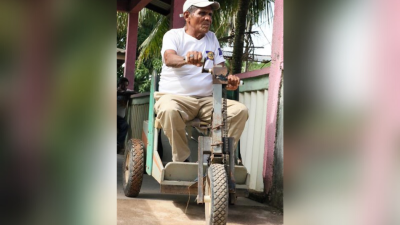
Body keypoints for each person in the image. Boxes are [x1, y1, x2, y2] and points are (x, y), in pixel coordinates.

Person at [155, 0, 248, 162]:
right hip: (175, 99)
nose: (208, 18)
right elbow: (169, 58)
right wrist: (186, 59)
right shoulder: (173, 35)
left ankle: (216, 159)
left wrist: (227, 81)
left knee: (239, 111)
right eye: (202, 13)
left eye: (210, 14)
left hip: (206, 101)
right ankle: (182, 160)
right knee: (169, 110)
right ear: (187, 16)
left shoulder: (211, 38)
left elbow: (219, 71)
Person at [117, 77, 136, 153]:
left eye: (126, 85)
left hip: (121, 117)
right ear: (119, 84)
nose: (125, 87)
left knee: (125, 126)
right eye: (123, 85)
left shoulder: (127, 92)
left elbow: (135, 92)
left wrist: (127, 93)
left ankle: (118, 144)